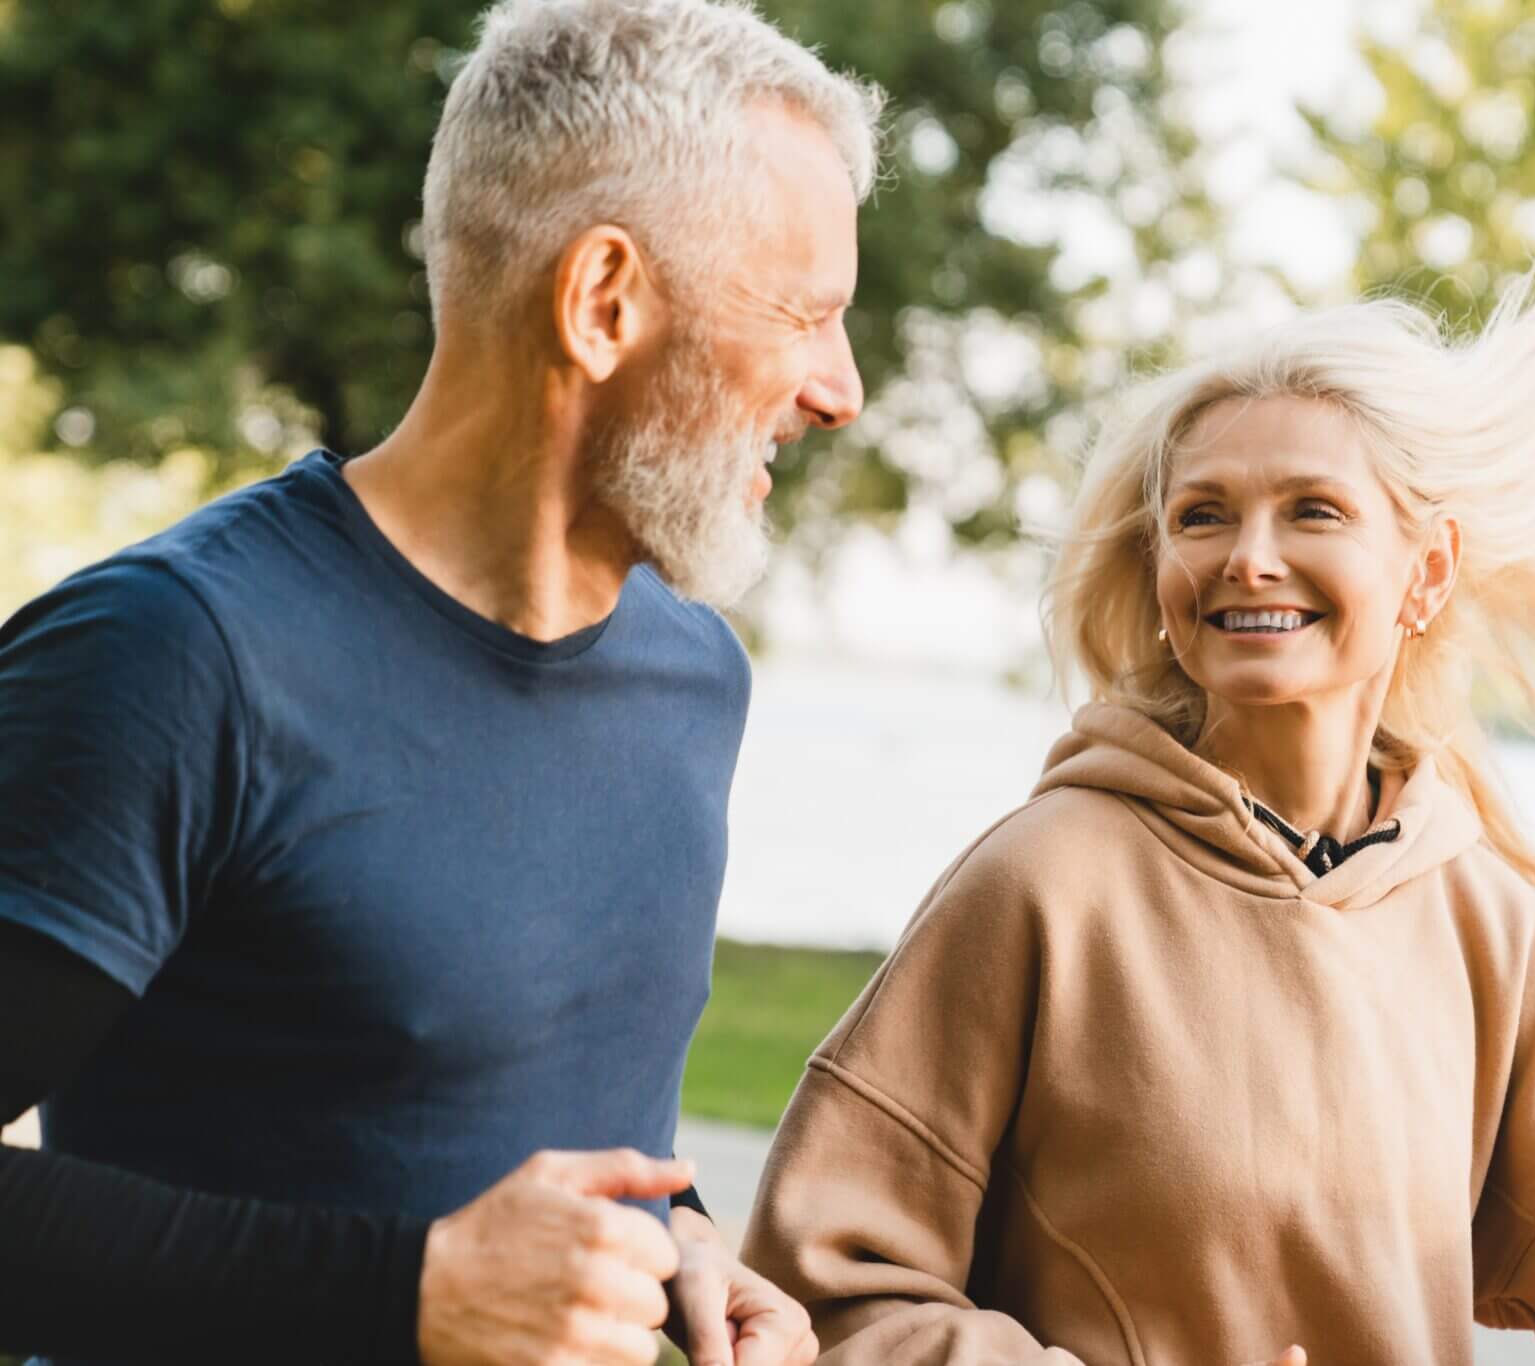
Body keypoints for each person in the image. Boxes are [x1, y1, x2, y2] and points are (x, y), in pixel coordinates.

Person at [740, 259, 1535, 1365]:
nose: (1250, 558)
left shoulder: (1480, 918)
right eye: (1202, 516)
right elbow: (820, 1295)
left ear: (1424, 574)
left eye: (1311, 510)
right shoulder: (1041, 883)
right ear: (1163, 575)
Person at [0, 2, 880, 1363]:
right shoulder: (174, 655)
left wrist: (683, 1235)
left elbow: (552, 1125)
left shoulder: (693, 673)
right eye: (805, 312)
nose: (842, 388)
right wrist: (406, 1291)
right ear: (602, 303)